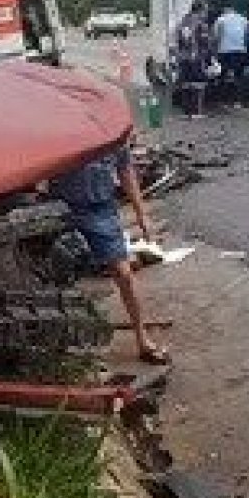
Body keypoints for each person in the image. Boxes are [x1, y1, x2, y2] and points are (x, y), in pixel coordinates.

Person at [48, 142, 169, 365]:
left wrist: (141, 214)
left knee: (124, 274)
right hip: (61, 208)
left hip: (101, 210)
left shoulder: (111, 132)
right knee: (56, 272)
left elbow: (125, 170)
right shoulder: (61, 123)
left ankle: (142, 339)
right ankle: (57, 342)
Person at [171, 2, 213, 118]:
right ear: (200, 10)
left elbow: (177, 41)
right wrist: (209, 58)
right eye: (205, 11)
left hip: (182, 58)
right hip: (196, 58)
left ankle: (187, 112)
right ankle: (196, 112)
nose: (206, 13)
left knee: (185, 84)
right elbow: (205, 43)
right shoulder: (201, 24)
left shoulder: (183, 22)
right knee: (198, 84)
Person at [211, 5, 249, 106]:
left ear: (225, 10)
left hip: (224, 51)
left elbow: (216, 37)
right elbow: (247, 36)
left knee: (222, 75)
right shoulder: (243, 19)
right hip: (240, 51)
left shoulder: (220, 19)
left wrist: (214, 52)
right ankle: (237, 101)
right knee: (239, 76)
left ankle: (222, 100)